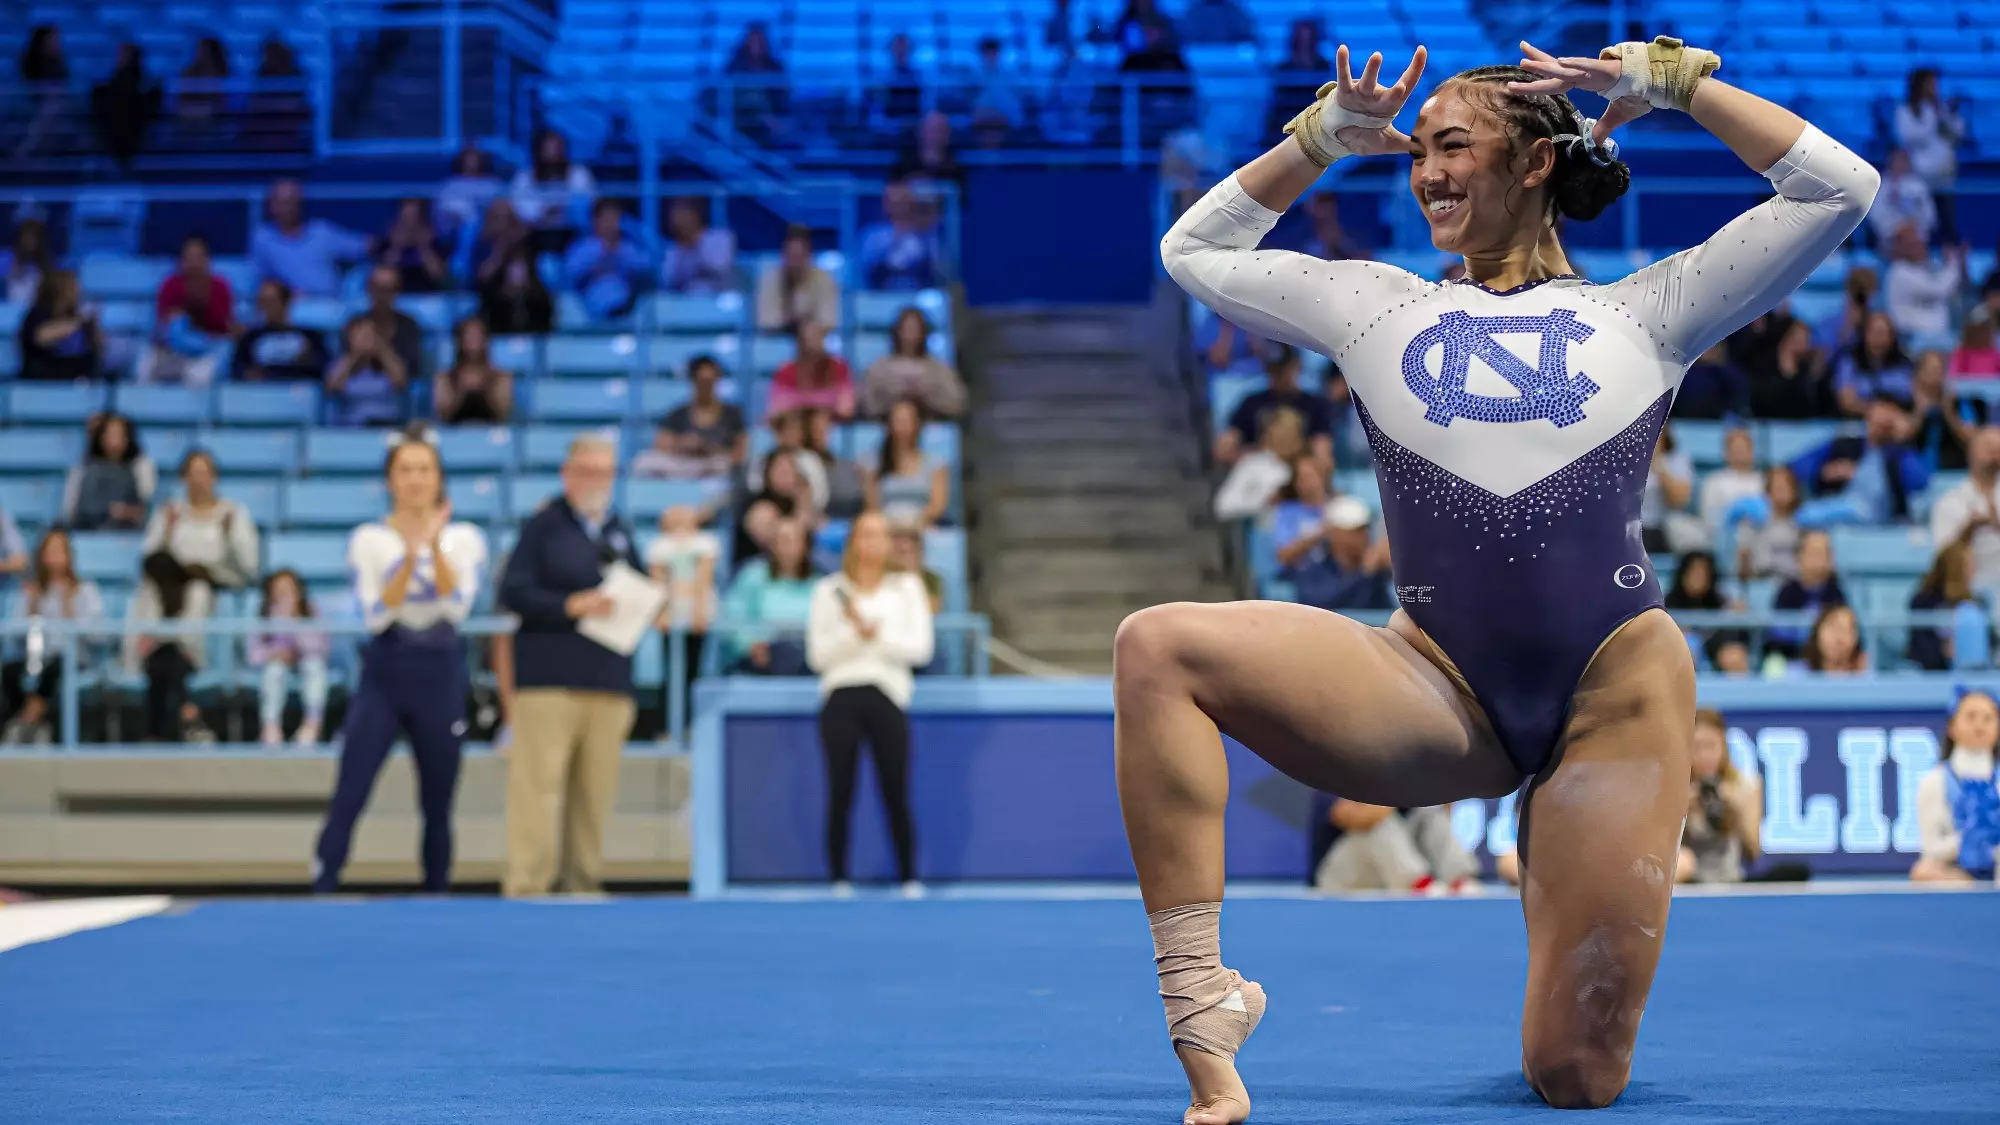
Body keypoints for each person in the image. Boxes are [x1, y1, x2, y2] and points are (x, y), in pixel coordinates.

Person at [1132, 33, 1874, 1117]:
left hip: (1609, 697)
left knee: (1572, 1078)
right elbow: (1190, 250)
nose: (1425, 170)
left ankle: (1564, 840)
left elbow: (1836, 187)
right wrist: (1319, 139)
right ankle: (1203, 1004)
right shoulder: (1373, 306)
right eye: (1416, 151)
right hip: (1436, 683)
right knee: (1157, 646)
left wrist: (1674, 85)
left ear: (1532, 165)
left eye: (1451, 145)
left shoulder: (1649, 312)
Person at [314, 433, 487, 894]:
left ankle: (437, 887)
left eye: (424, 469)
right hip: (387, 669)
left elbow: (456, 606)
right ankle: (325, 879)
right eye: (405, 470)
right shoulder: (369, 539)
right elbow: (377, 613)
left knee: (438, 796)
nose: (415, 479)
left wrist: (432, 546)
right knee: (352, 785)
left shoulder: (464, 537)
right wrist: (412, 555)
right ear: (390, 480)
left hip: (440, 670)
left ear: (439, 479)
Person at [496, 435, 645, 898]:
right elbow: (513, 592)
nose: (598, 481)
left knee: (594, 795)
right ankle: (528, 885)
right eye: (589, 471)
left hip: (607, 680)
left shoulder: (620, 532)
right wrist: (569, 605)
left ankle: (583, 882)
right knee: (538, 790)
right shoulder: (543, 527)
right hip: (549, 680)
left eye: (606, 472)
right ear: (568, 474)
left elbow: (637, 588)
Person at [807, 511, 933, 894]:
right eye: (864, 535)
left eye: (879, 535)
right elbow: (818, 655)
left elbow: (920, 649)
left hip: (888, 695)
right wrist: (853, 635)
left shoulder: (908, 588)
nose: (871, 543)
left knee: (895, 788)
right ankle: (839, 877)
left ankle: (909, 876)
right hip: (841, 694)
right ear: (852, 542)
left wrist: (875, 637)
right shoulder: (828, 591)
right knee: (840, 789)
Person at [128, 449, 257, 743]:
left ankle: (161, 723)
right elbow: (150, 558)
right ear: (184, 477)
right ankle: (184, 710)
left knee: (196, 595)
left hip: (211, 593)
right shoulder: (169, 512)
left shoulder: (232, 514)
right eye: (193, 472)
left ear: (214, 477)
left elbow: (249, 566)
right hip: (168, 593)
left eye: (205, 472)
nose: (199, 479)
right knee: (149, 598)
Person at [0, 530, 103, 745]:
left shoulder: (85, 590)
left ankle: (24, 721)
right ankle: (36, 721)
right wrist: (32, 606)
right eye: (50, 552)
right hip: (38, 657)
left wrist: (69, 606)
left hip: (73, 658)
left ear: (68, 556)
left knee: (55, 667)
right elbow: (18, 635)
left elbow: (97, 635)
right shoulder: (34, 591)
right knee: (9, 670)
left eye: (59, 552)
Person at [1791, 396, 1928, 525]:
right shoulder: (1845, 442)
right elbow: (1798, 467)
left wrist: (1903, 441)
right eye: (1876, 419)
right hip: (1837, 510)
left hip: (1883, 522)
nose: (1878, 426)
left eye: (1886, 423)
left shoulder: (1899, 454)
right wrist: (1823, 472)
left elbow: (1919, 482)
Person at [1913, 688, 2000, 884]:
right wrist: (1967, 840)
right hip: (1954, 873)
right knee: (1924, 872)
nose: (1979, 725)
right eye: (1971, 717)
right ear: (1952, 727)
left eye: (1988, 718)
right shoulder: (1934, 782)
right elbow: (1930, 849)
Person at [1313, 799, 1478, 893]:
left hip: (1386, 878)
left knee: (1430, 812)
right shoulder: (1335, 771)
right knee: (1377, 825)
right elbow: (1349, 817)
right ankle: (1418, 884)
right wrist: (1396, 792)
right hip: (1340, 880)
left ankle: (1459, 880)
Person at [721, 517, 817, 674]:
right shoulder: (752, 576)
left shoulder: (818, 582)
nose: (788, 547)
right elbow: (732, 618)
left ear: (806, 545)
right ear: (772, 545)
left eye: (795, 541)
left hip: (807, 655)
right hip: (762, 656)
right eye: (783, 540)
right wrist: (749, 645)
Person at [1676, 709, 1761, 883]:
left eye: (1710, 746)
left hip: (1732, 880)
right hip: (1689, 880)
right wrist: (1681, 811)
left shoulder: (1746, 786)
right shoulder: (1675, 791)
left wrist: (1736, 809)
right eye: (1696, 747)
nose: (1704, 756)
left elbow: (1753, 853)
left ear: (1723, 746)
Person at [1214, 345, 1334, 467]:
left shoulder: (1314, 405)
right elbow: (1224, 449)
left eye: (1282, 369)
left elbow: (1323, 455)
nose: (1277, 375)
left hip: (1298, 473)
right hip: (1258, 469)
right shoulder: (1252, 403)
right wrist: (1245, 455)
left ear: (1296, 366)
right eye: (1273, 369)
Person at [630, 355, 745, 481]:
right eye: (701, 381)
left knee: (728, 465)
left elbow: (741, 450)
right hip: (683, 465)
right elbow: (660, 445)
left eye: (709, 381)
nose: (705, 387)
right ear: (693, 381)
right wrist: (682, 443)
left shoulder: (732, 414)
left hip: (716, 465)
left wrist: (709, 448)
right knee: (643, 461)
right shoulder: (677, 414)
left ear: (717, 381)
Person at [249, 568, 330, 747]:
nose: (284, 594)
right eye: (279, 589)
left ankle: (312, 724)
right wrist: (274, 653)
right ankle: (270, 727)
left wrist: (294, 622)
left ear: (299, 591)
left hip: (306, 662)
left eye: (289, 589)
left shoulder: (311, 612)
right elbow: (253, 655)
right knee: (274, 671)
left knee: (314, 666)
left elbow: (320, 648)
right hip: (277, 663)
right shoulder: (264, 616)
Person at [251, 179, 373, 298]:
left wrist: (386, 244)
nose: (289, 207)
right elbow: (262, 281)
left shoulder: (322, 231)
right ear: (271, 205)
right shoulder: (263, 238)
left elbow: (363, 246)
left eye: (294, 201)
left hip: (329, 306)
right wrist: (287, 294)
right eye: (284, 202)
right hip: (289, 308)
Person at [141, 235, 236, 386]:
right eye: (189, 257)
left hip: (209, 347)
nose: (194, 263)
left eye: (198, 257)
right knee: (145, 360)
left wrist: (200, 302)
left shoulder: (220, 286)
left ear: (207, 260)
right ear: (181, 261)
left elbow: (222, 326)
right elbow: (165, 323)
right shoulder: (170, 285)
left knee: (225, 350)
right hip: (175, 347)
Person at [1280, 495, 1394, 611]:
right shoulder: (1314, 568)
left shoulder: (1378, 569)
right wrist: (1365, 575)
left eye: (1365, 530)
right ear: (1334, 534)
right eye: (1355, 531)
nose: (1362, 536)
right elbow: (1320, 604)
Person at [1893, 67, 1963, 243]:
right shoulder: (1905, 111)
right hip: (1919, 176)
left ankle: (1951, 260)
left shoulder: (1941, 108)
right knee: (1922, 223)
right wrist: (1931, 118)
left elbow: (1957, 133)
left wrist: (1941, 114)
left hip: (1944, 176)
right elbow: (1907, 136)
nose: (1934, 87)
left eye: (1935, 83)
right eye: (1930, 83)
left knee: (1947, 222)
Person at [859, 307, 965, 419]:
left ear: (923, 332)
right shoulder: (878, 369)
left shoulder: (939, 369)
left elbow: (958, 403)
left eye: (915, 328)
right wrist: (894, 396)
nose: (911, 334)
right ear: (897, 331)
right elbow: (865, 405)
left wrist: (928, 396)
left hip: (933, 430)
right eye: (906, 328)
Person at [1930, 425, 2000, 592]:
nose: (1994, 455)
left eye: (1998, 449)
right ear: (1970, 452)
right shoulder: (1949, 503)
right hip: (1968, 593)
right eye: (1988, 447)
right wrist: (1969, 530)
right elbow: (1946, 558)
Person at [864, 399, 950, 527]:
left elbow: (937, 506)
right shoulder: (872, 464)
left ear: (917, 425)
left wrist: (911, 523)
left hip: (921, 527)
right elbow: (871, 506)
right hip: (885, 528)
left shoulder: (937, 464)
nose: (902, 427)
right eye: (898, 421)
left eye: (907, 421)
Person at [62, 412, 154, 531]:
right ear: (101, 438)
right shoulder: (88, 470)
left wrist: (128, 512)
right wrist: (112, 511)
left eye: (120, 434)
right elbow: (82, 511)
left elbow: (142, 508)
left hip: (127, 535)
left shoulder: (135, 468)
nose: (115, 439)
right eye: (110, 434)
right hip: (92, 533)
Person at [509, 128, 597, 248]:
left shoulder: (579, 173)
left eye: (557, 148)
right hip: (535, 231)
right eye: (548, 149)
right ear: (539, 150)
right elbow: (518, 203)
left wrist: (563, 210)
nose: (553, 154)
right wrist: (542, 213)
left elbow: (589, 200)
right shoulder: (525, 176)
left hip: (573, 230)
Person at [565, 199, 651, 320]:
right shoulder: (582, 247)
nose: (611, 224)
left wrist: (618, 253)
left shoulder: (627, 247)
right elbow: (571, 273)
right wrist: (600, 257)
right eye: (606, 218)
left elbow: (645, 269)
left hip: (626, 306)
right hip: (591, 305)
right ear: (595, 221)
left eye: (615, 218)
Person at [1213, 407, 1303, 521]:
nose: (1285, 440)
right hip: (1263, 532)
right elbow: (1223, 506)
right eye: (1281, 434)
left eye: (1291, 434)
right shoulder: (1252, 465)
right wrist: (1264, 502)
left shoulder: (1306, 467)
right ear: (1269, 435)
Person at [1770, 530, 1847, 659]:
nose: (1820, 559)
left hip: (1827, 661)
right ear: (1800, 556)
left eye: (1825, 553)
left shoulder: (1836, 592)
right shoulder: (1787, 592)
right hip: (1790, 657)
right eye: (1814, 552)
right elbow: (1777, 632)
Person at [232, 280, 329, 382]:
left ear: (286, 302)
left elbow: (324, 369)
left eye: (270, 301)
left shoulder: (309, 337)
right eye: (261, 301)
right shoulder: (250, 337)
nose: (264, 307)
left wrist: (308, 361)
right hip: (262, 391)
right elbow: (238, 370)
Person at [1907, 539, 1981, 672]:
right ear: (1955, 568)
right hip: (1929, 675)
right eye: (1969, 565)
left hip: (1971, 674)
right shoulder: (1923, 602)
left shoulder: (1977, 603)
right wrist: (1944, 650)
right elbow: (1919, 649)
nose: (1974, 571)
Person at [19, 270, 105, 382]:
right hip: (42, 380)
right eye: (72, 287)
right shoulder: (37, 315)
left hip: (79, 381)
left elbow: (97, 348)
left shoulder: (79, 316)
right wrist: (77, 322)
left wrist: (94, 329)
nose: (77, 291)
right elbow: (41, 336)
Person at [324, 317, 409, 428]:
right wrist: (355, 354)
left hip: (386, 426)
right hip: (351, 429)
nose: (367, 339)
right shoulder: (340, 364)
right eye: (361, 335)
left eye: (371, 335)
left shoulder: (390, 362)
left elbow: (401, 381)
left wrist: (381, 349)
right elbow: (332, 386)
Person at [756, 224, 840, 333]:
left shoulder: (824, 279)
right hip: (776, 341)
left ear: (809, 255)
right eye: (791, 256)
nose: (795, 264)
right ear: (783, 254)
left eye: (799, 257)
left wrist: (804, 325)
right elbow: (765, 321)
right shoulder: (769, 280)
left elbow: (829, 321)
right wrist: (792, 322)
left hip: (814, 343)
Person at [768, 321, 855, 421]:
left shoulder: (839, 368)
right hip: (795, 429)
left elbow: (846, 410)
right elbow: (778, 411)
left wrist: (803, 405)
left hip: (831, 428)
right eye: (807, 340)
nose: (811, 345)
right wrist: (823, 405)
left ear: (823, 341)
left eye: (816, 339)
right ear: (799, 343)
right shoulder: (785, 372)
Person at [433, 317, 514, 425]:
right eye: (468, 336)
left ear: (486, 341)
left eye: (477, 336)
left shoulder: (502, 377)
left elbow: (503, 415)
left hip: (492, 435)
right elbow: (444, 417)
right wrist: (461, 391)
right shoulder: (444, 377)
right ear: (459, 341)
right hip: (454, 436)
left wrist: (484, 388)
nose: (472, 343)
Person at [1831, 310, 1912, 416]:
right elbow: (1846, 401)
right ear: (1865, 334)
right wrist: (1876, 412)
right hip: (1858, 422)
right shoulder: (1849, 361)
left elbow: (1914, 397)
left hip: (1898, 421)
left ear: (1892, 337)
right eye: (1874, 332)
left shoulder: (1904, 365)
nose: (1878, 338)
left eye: (1883, 333)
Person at [659, 197, 736, 295]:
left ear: (695, 215)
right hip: (683, 303)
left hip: (717, 300)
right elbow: (667, 281)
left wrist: (695, 244)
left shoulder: (719, 238)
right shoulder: (672, 251)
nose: (679, 221)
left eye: (683, 214)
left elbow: (719, 267)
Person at [376, 198, 449, 294]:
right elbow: (382, 277)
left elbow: (438, 276)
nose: (410, 224)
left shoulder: (434, 244)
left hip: (427, 298)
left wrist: (424, 247)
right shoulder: (387, 244)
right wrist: (396, 247)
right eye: (406, 218)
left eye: (414, 218)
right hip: (395, 297)